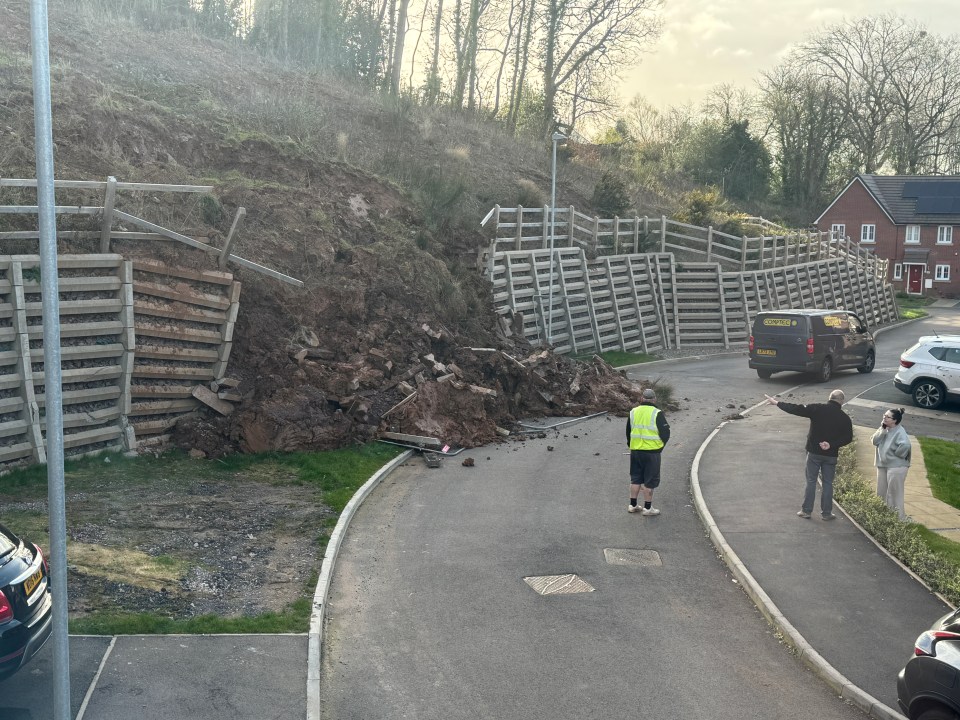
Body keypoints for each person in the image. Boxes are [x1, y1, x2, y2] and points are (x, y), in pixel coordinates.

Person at [764, 389, 853, 520]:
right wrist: (831, 445)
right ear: (842, 401)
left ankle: (806, 511)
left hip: (814, 453)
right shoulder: (844, 418)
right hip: (831, 455)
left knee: (811, 481)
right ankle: (827, 513)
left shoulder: (818, 409)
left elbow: (797, 409)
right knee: (828, 483)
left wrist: (777, 403)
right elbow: (848, 438)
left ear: (829, 398)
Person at [626, 387, 670, 516]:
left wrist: (631, 445)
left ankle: (633, 505)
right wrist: (660, 447)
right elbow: (666, 433)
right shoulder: (657, 413)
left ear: (642, 398)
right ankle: (647, 508)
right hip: (652, 452)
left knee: (635, 478)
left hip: (636, 451)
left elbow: (628, 431)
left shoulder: (633, 412)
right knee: (650, 480)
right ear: (654, 399)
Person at [872, 407, 912, 520]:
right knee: (881, 492)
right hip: (883, 465)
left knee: (894, 494)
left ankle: (898, 519)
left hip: (897, 466)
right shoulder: (884, 428)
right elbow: (874, 441)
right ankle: (880, 516)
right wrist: (882, 431)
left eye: (887, 417)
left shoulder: (900, 432)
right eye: (884, 415)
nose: (884, 417)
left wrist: (894, 455)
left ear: (894, 420)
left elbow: (906, 446)